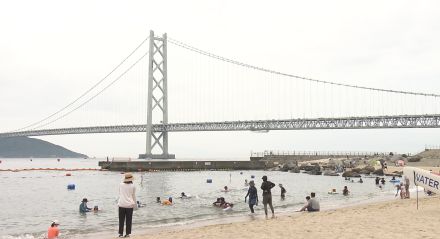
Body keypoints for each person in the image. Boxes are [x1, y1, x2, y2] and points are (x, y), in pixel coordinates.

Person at [118, 172, 137, 238]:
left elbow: (119, 193)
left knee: (121, 220)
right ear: (131, 179)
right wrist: (135, 206)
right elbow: (133, 196)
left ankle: (120, 234)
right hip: (129, 205)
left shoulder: (120, 185)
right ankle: (127, 234)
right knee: (129, 220)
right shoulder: (133, 186)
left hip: (121, 204)